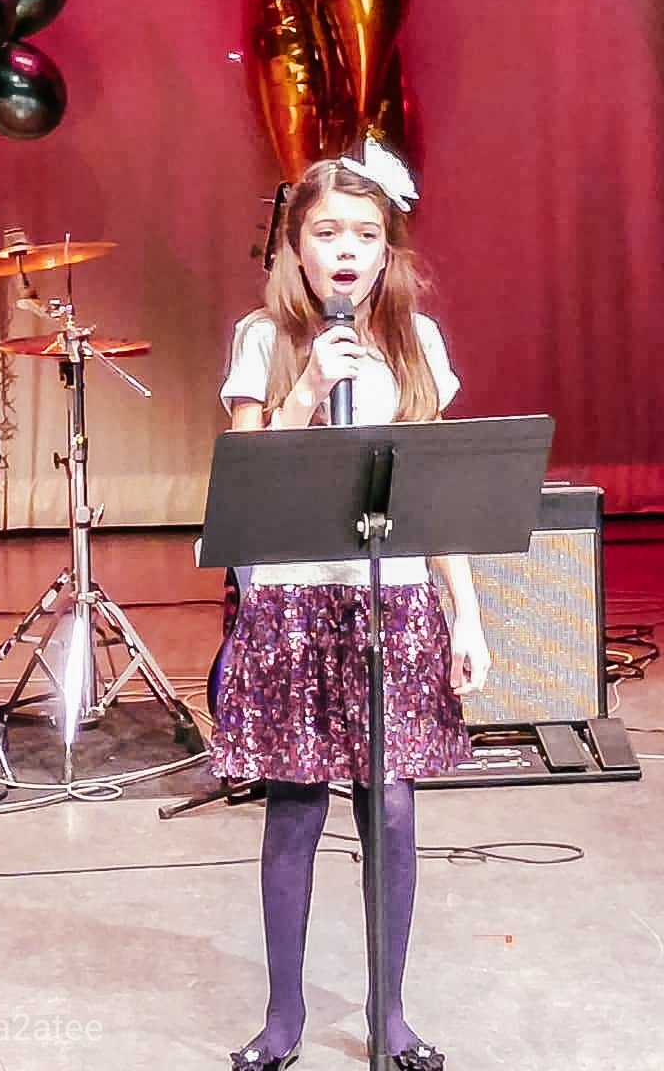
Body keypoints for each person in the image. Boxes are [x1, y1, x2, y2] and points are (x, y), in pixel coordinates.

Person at [210, 138, 491, 1071]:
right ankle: (283, 1016)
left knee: (393, 811)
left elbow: (438, 494)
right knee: (295, 806)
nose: (346, 249)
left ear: (386, 249)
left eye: (365, 234)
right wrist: (304, 391)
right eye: (327, 232)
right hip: (295, 603)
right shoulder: (264, 338)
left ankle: (390, 1013)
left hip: (393, 599)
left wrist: (467, 614)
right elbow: (248, 485)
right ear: (295, 246)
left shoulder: (417, 342)